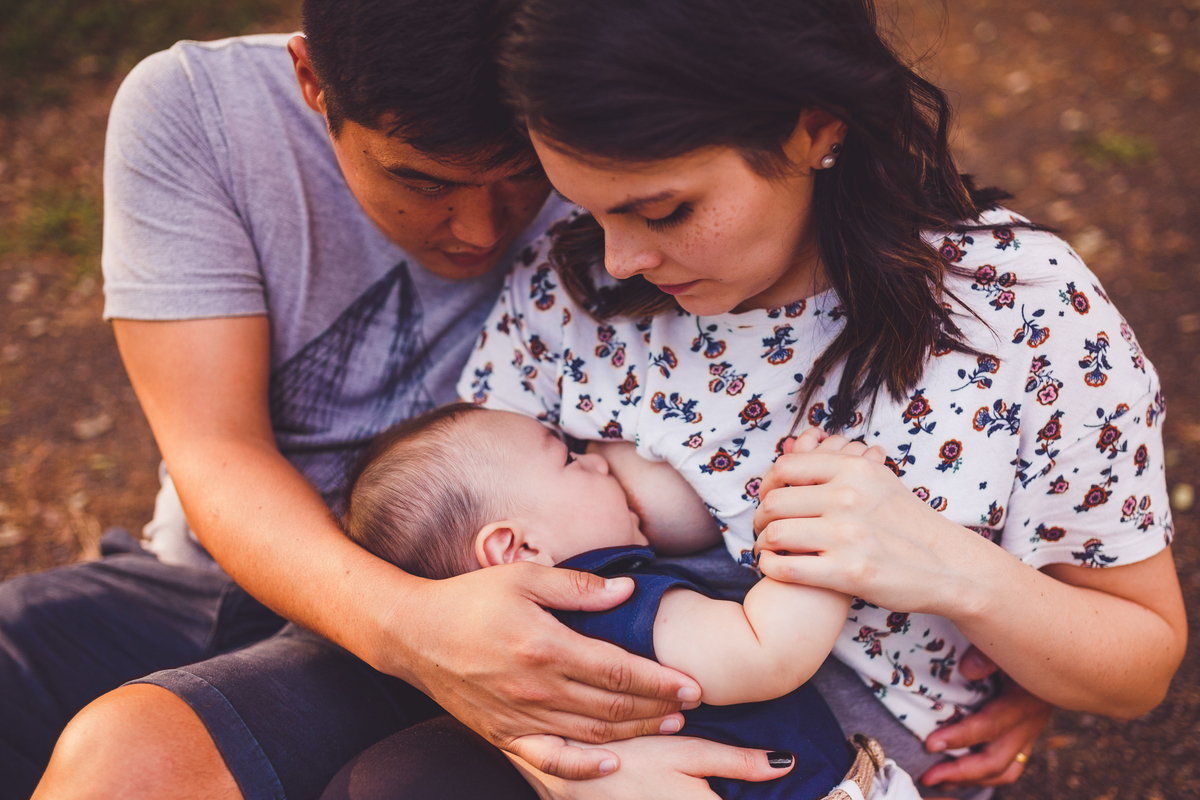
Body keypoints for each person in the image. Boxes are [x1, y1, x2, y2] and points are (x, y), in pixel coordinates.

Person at [16, 2, 1056, 800]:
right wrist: (423, 631)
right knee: (108, 743)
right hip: (266, 569)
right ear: (310, 81)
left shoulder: (613, 150)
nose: (479, 228)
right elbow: (217, 458)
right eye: (420, 179)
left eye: (519, 176)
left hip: (574, 592)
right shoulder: (194, 113)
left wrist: (1010, 619)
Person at [437, 0, 1187, 796]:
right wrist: (557, 751)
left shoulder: (1024, 313)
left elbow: (1138, 666)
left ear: (816, 128)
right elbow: (452, 550)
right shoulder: (574, 281)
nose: (619, 258)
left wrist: (957, 571)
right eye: (587, 207)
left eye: (662, 211)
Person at [336, 401, 919, 800]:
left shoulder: (527, 652)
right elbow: (768, 652)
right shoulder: (610, 599)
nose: (595, 459)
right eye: (567, 458)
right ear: (519, 548)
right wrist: (820, 522)